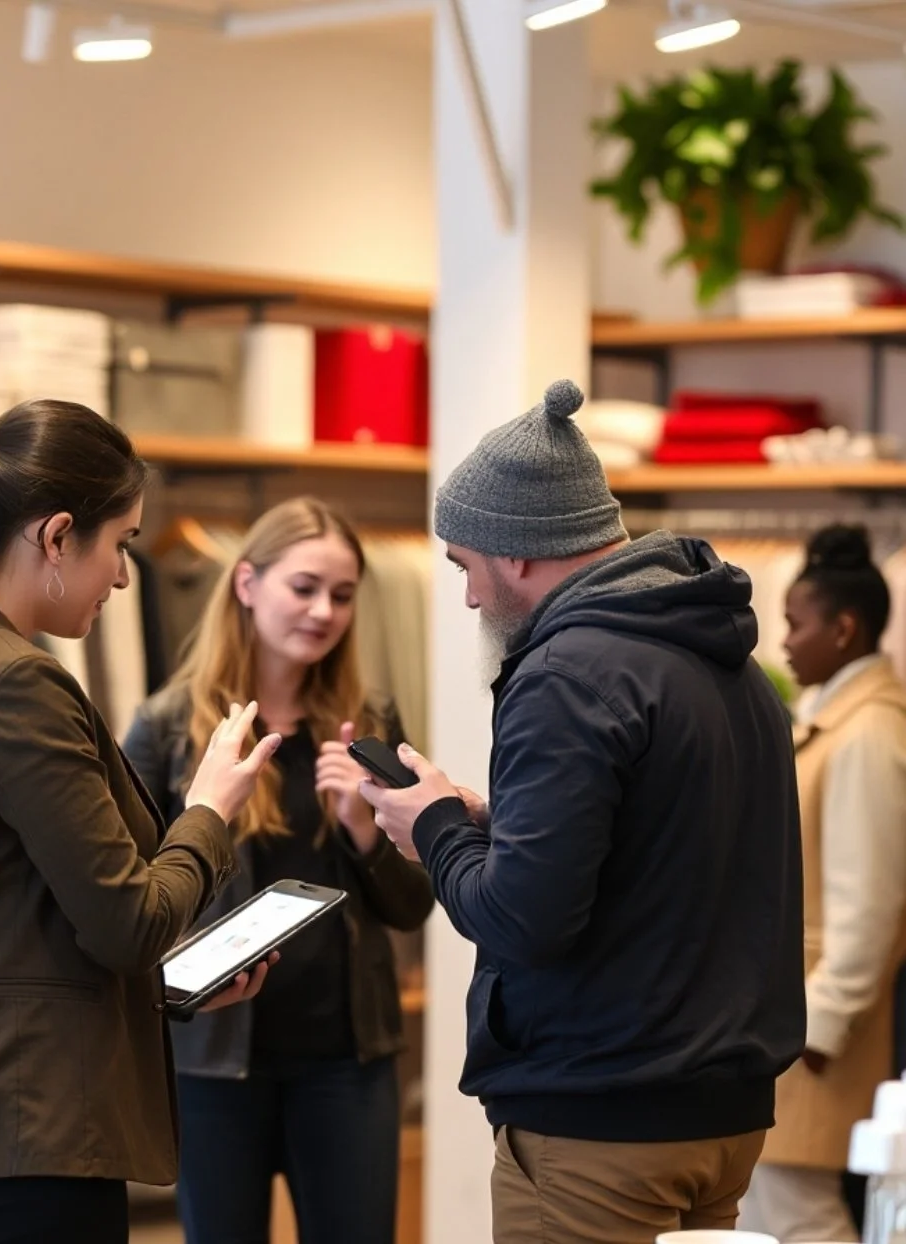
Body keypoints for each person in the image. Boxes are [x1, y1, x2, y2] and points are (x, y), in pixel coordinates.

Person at [0, 401, 282, 1244]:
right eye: (122, 544)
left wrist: (172, 992)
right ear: (57, 535)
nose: (121, 576)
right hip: (10, 1142)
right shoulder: (8, 683)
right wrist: (210, 811)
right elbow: (129, 924)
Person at [358, 380, 806, 1244]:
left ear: (516, 553)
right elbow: (666, 853)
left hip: (598, 1119)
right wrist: (496, 823)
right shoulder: (727, 664)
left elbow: (524, 921)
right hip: (723, 1109)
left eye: (465, 566)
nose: (467, 599)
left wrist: (436, 830)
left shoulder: (567, 675)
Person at [123, 497, 434, 1244]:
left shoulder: (370, 720)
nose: (324, 611)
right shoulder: (168, 728)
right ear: (245, 584)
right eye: (304, 587)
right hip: (212, 1062)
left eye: (343, 594)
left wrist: (365, 829)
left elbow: (411, 904)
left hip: (346, 1060)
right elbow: (129, 898)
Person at [738, 524, 906, 1243]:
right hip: (793, 1023)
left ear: (842, 629)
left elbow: (870, 904)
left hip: (812, 1034)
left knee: (798, 1215)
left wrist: (817, 1025)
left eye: (793, 625)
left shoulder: (867, 734)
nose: (781, 644)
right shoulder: (837, 721)